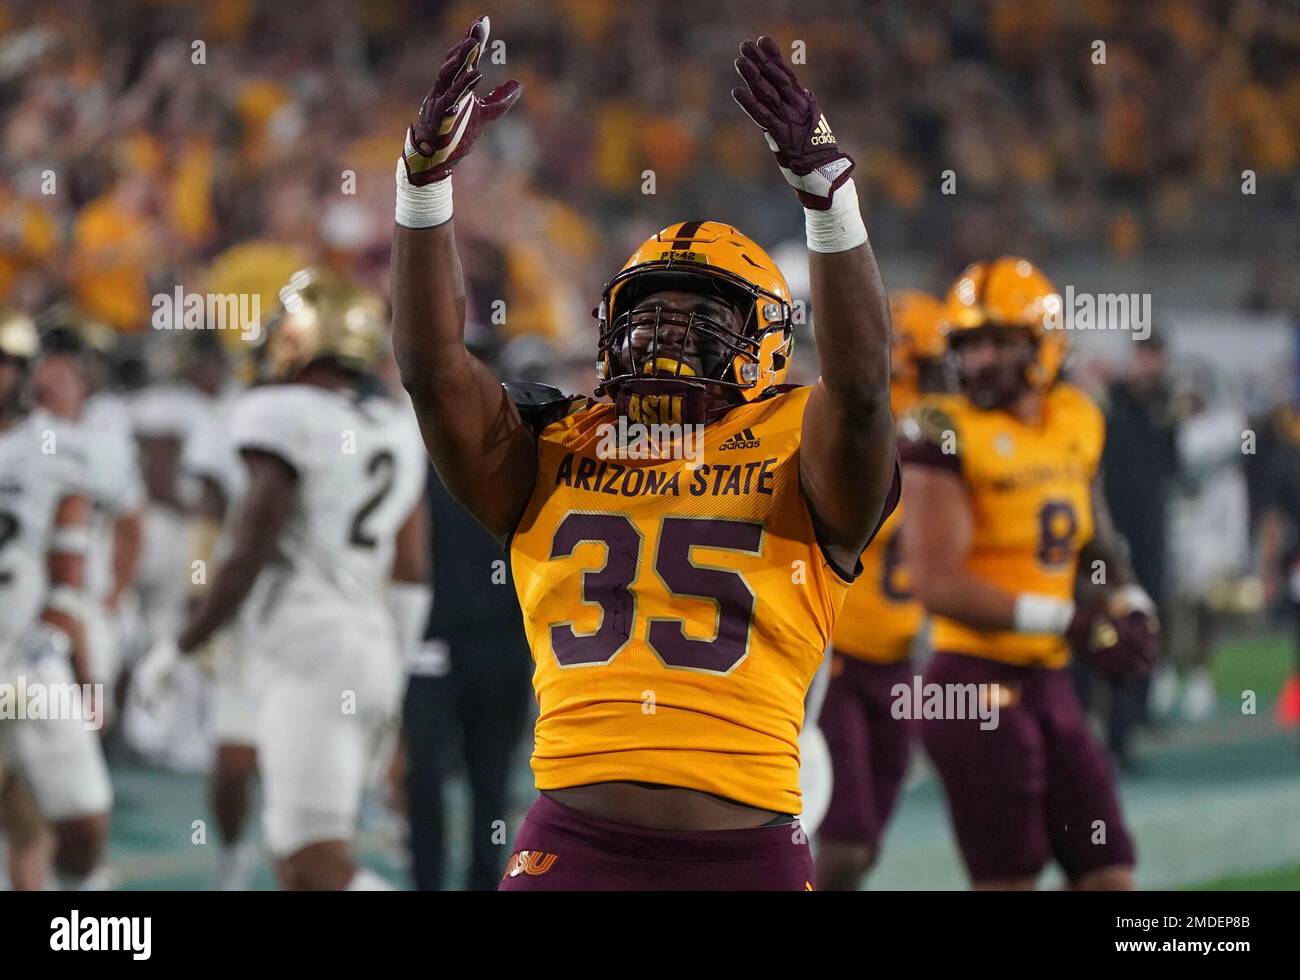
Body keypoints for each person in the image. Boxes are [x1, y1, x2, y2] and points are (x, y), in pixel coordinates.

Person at [391, 18, 898, 890]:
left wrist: (829, 201)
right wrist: (422, 190)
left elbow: (860, 392)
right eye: (649, 307)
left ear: (768, 343)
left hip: (742, 850)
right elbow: (433, 371)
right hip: (574, 844)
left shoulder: (799, 438)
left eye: (701, 310)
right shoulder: (553, 440)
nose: (665, 328)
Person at [136, 270, 430, 890]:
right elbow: (410, 566)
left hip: (306, 649)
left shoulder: (278, 410)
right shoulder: (397, 426)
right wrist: (396, 663)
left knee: (314, 864)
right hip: (367, 646)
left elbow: (247, 548)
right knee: (299, 865)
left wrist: (182, 642)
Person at [900, 258, 1159, 890]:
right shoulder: (944, 431)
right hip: (971, 685)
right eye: (968, 345)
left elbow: (1093, 536)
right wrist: (1068, 618)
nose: (981, 360)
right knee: (1009, 880)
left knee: (1108, 872)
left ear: (1044, 343)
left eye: (999, 342)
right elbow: (937, 583)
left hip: (1047, 677)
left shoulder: (1075, 416)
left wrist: (1130, 600)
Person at [814, 290, 951, 890]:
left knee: (866, 847)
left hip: (897, 665)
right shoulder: (863, 439)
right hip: (835, 661)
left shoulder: (941, 444)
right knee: (842, 845)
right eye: (936, 364)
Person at [0, 308, 111, 890]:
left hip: (25, 661)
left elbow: (67, 575)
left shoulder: (52, 447)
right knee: (18, 827)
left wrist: (80, 668)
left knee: (84, 819)